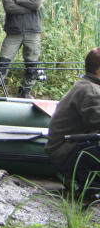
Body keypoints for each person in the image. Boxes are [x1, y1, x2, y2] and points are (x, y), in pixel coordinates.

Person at [46, 48, 100, 194]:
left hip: (67, 148)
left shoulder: (86, 84)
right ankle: (88, 184)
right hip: (67, 152)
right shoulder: (92, 91)